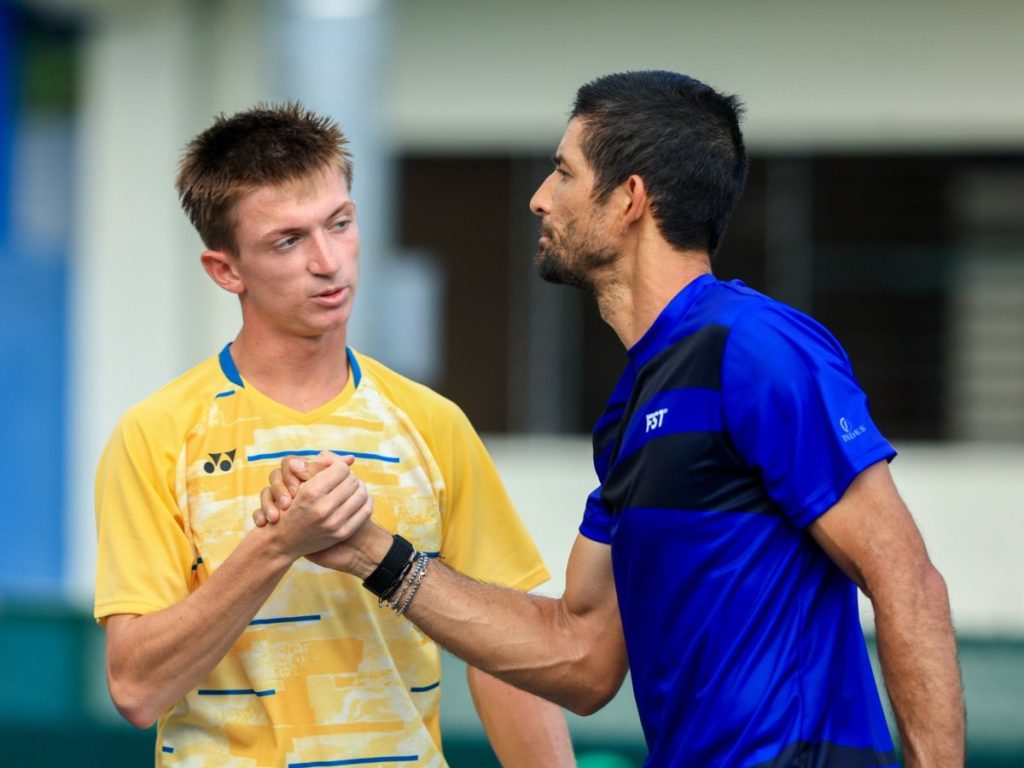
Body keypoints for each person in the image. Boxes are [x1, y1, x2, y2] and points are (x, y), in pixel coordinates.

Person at [257, 72, 966, 767]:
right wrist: (368, 551)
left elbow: (906, 581)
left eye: (563, 173)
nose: (539, 199)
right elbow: (581, 655)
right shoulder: (632, 409)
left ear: (630, 199)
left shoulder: (753, 347)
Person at [93, 103, 575, 767]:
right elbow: (136, 689)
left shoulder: (432, 423)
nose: (329, 261)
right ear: (225, 270)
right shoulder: (156, 435)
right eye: (287, 241)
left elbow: (505, 654)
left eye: (340, 224)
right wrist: (278, 545)